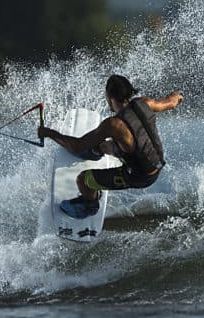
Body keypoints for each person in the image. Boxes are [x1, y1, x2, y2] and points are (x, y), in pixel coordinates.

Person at [39, 74, 184, 218]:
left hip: (140, 176)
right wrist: (177, 96)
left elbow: (77, 145)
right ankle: (95, 151)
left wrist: (50, 133)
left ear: (110, 97)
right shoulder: (145, 102)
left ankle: (90, 204)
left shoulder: (113, 124)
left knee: (83, 179)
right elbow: (170, 102)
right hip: (156, 163)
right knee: (105, 146)